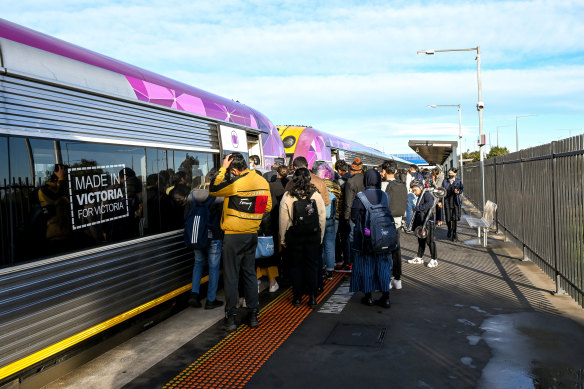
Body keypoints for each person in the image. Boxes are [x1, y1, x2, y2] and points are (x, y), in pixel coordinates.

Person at [209, 153, 272, 332]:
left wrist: (222, 168)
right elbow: (267, 207)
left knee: (231, 276)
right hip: (252, 235)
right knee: (250, 274)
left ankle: (231, 318)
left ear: (235, 170)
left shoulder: (235, 183)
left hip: (233, 236)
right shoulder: (261, 182)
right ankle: (252, 315)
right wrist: (251, 210)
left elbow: (213, 189)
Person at [279, 168, 326, 308]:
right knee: (312, 266)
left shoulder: (287, 195)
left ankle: (297, 297)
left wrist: (283, 238)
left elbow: (283, 220)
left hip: (295, 236)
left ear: (293, 179)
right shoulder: (315, 195)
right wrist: (321, 236)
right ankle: (312, 297)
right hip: (312, 236)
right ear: (309, 179)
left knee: (296, 267)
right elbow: (321, 217)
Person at [350, 169, 392, 308]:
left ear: (365, 180)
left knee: (367, 266)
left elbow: (354, 217)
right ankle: (386, 297)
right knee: (384, 266)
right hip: (384, 237)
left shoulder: (360, 197)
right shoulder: (385, 195)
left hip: (366, 239)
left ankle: (368, 297)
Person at [185, 168, 224, 309]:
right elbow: (222, 218)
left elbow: (186, 215)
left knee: (198, 263)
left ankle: (194, 294)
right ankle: (210, 300)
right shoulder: (219, 195)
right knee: (213, 268)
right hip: (214, 236)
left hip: (197, 236)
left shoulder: (193, 192)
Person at [380, 161, 407, 290]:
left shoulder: (382, 186)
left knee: (385, 252)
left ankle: (387, 279)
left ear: (384, 171)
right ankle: (397, 279)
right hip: (397, 222)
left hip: (385, 223)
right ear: (395, 171)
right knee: (396, 251)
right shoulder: (402, 185)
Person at [315, 163, 341, 280]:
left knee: (320, 244)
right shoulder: (337, 186)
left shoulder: (319, 185)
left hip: (320, 218)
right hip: (333, 218)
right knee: (330, 244)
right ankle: (330, 270)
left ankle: (322, 267)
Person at [338, 157, 365, 272]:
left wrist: (346, 216)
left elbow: (348, 202)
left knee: (352, 238)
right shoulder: (365, 179)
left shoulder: (350, 181)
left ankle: (352, 263)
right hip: (365, 212)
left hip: (353, 214)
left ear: (352, 169)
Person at [407, 180, 438, 268]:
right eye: (413, 190)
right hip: (420, 220)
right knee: (421, 240)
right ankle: (419, 257)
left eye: (415, 190)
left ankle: (434, 259)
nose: (414, 192)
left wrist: (419, 208)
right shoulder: (421, 195)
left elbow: (430, 203)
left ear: (421, 187)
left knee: (430, 241)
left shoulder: (426, 193)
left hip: (427, 220)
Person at [442, 168, 464, 241]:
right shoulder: (445, 181)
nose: (450, 174)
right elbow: (442, 190)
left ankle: (454, 234)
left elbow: (461, 189)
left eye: (451, 173)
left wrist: (458, 191)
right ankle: (449, 229)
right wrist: (439, 201)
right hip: (447, 201)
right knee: (448, 218)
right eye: (449, 173)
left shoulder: (458, 181)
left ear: (455, 174)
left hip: (455, 201)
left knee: (454, 218)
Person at [405, 165, 423, 232]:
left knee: (409, 211)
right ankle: (417, 226)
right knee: (417, 210)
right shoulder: (420, 175)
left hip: (410, 193)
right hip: (418, 193)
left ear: (412, 168)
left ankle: (409, 227)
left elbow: (407, 185)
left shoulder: (409, 175)